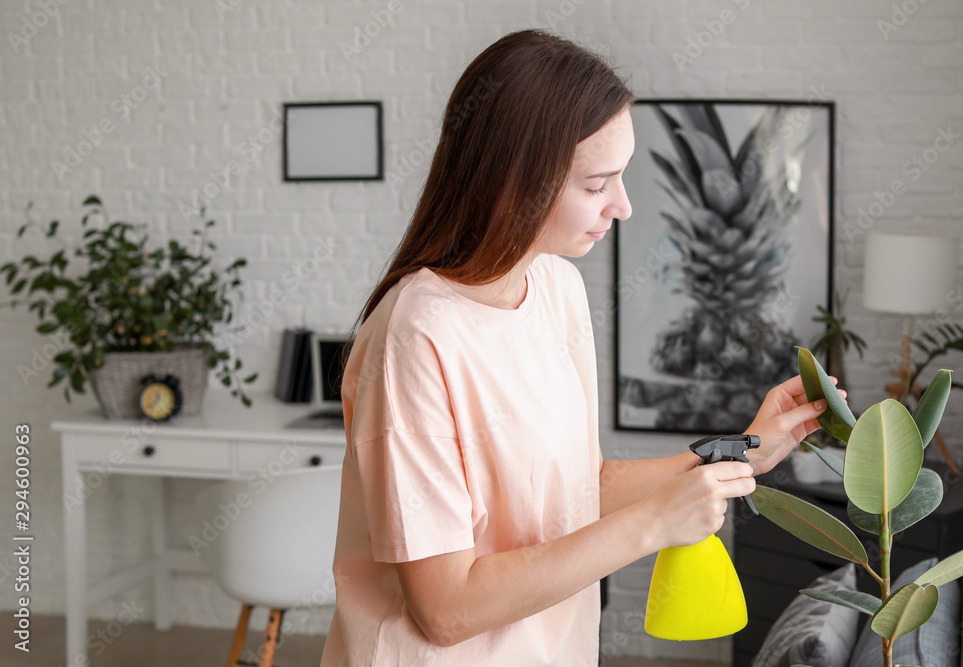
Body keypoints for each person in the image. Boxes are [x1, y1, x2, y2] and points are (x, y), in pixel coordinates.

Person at [320, 29, 838, 667]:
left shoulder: (556, 287)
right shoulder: (416, 335)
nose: (621, 206)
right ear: (516, 183)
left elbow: (579, 486)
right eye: (598, 184)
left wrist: (743, 454)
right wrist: (651, 526)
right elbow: (446, 609)